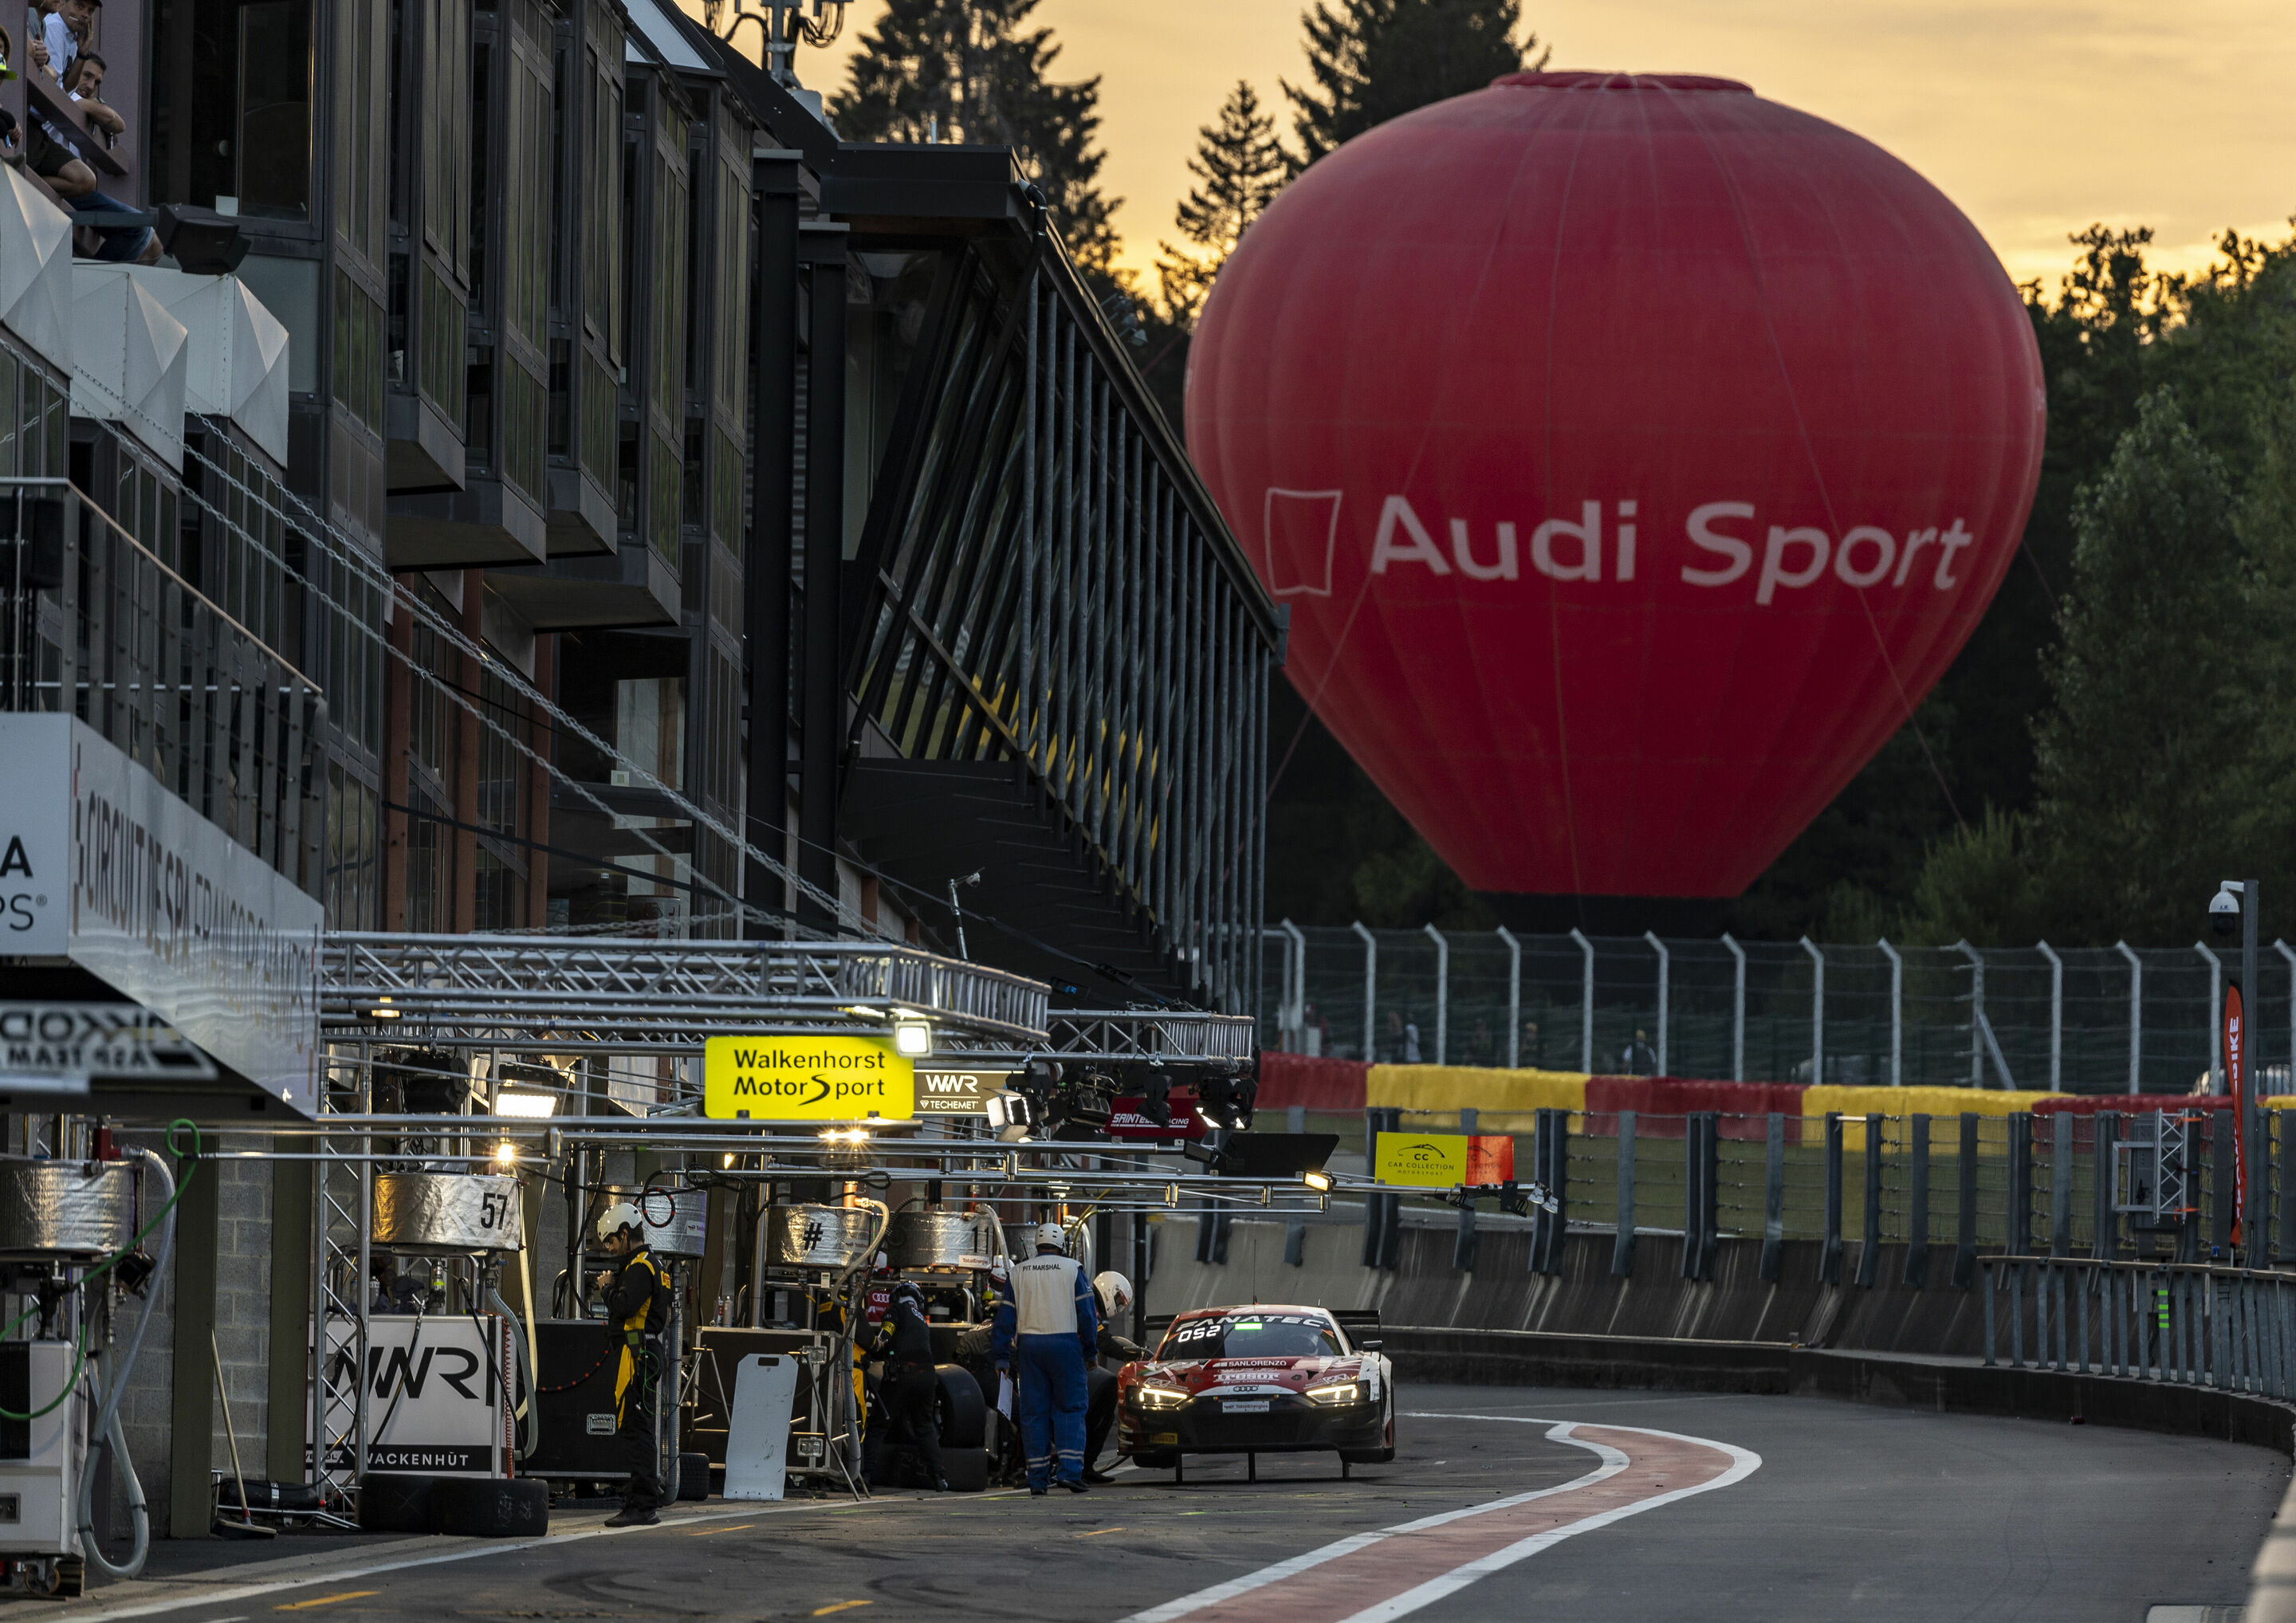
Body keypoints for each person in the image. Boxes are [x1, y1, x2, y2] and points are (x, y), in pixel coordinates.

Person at [989, 1224, 1096, 1495]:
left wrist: (1002, 1357)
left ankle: (1037, 1478)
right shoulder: (1073, 1269)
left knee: (1034, 1412)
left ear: (1037, 1245)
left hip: (1030, 1347)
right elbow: (1087, 1315)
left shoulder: (1018, 1272)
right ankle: (1070, 1473)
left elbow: (1005, 1318)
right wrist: (1090, 1351)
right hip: (1066, 1346)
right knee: (1070, 1408)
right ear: (1061, 1244)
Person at [592, 1201, 670, 1527]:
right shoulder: (652, 1265)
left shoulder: (640, 1267)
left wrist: (607, 1289)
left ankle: (642, 1505)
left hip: (638, 1356)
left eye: (611, 1241)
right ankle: (640, 1501)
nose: (610, 1249)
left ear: (625, 1234)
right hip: (641, 1353)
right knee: (637, 1428)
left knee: (637, 1430)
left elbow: (624, 1306)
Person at [860, 1275, 946, 1491]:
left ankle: (865, 1476)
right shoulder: (921, 1319)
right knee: (924, 1426)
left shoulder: (896, 1310)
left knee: (879, 1425)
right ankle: (939, 1478)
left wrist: (873, 1347)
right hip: (928, 1377)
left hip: (902, 1375)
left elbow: (884, 1337)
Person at [1080, 1271, 1141, 1484]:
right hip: (1067, 1366)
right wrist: (1133, 1354)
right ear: (1109, 1291)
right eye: (1118, 1301)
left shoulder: (1089, 1303)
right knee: (1106, 1392)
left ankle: (1082, 1464)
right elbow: (1103, 1341)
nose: (1118, 1306)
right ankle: (1083, 1464)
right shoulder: (1089, 1304)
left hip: (1055, 1361)